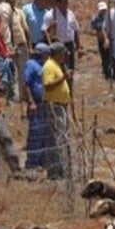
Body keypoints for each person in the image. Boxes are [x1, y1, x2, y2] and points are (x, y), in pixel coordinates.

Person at [42, 41, 72, 181]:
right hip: (54, 107)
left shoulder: (56, 65)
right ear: (59, 53)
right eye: (63, 53)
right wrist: (63, 78)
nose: (65, 56)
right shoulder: (49, 66)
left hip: (61, 106)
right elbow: (48, 86)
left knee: (61, 138)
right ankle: (55, 171)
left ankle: (59, 169)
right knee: (57, 139)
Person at [22, 43, 49, 169]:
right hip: (35, 104)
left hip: (43, 104)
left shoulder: (42, 65)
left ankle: (41, 161)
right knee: (35, 134)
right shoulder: (31, 64)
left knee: (44, 133)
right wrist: (31, 102)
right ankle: (32, 163)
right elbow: (26, 85)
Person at [44, 0, 81, 70]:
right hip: (58, 45)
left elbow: (75, 30)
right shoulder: (50, 15)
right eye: (64, 1)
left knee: (70, 68)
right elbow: (44, 32)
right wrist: (51, 29)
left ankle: (69, 82)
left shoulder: (70, 13)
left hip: (69, 44)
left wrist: (78, 47)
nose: (67, 3)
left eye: (67, 1)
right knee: (60, 69)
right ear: (58, 2)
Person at [91, 1, 114, 80]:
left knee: (112, 56)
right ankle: (106, 74)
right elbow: (94, 28)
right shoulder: (95, 18)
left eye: (104, 10)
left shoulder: (110, 17)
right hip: (101, 40)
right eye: (102, 10)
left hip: (110, 40)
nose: (103, 12)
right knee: (104, 57)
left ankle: (113, 74)